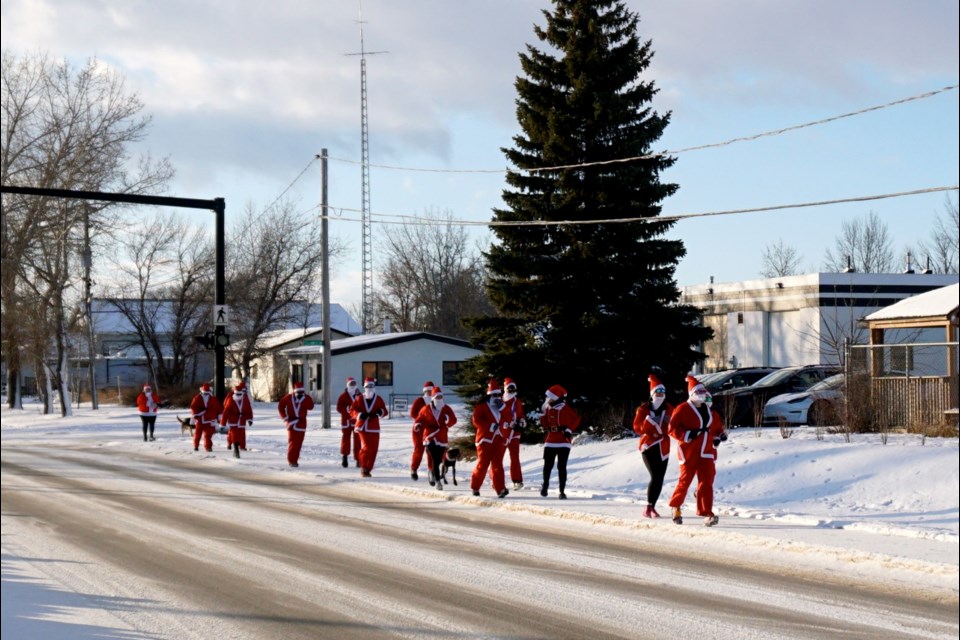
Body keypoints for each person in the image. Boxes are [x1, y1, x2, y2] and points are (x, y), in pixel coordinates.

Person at [667, 375, 727, 526]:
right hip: (689, 451)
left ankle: (707, 513)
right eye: (698, 391)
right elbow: (672, 429)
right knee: (685, 481)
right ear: (691, 393)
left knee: (707, 481)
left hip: (706, 451)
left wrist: (720, 436)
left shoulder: (709, 411)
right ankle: (676, 506)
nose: (702, 394)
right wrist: (687, 434)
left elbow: (716, 428)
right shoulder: (682, 409)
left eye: (703, 391)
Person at [631, 374, 674, 518]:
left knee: (660, 478)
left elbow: (675, 424)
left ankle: (652, 506)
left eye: (663, 392)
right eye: (658, 392)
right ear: (652, 394)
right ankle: (648, 507)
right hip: (648, 446)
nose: (661, 395)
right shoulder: (643, 409)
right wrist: (649, 421)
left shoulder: (669, 408)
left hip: (664, 447)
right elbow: (637, 428)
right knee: (655, 476)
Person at [539, 384, 581, 499]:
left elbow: (576, 419)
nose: (548, 399)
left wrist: (569, 429)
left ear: (557, 397)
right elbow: (545, 425)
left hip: (563, 440)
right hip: (550, 440)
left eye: (551, 397)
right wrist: (542, 415)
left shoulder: (565, 407)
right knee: (547, 465)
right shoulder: (547, 408)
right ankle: (545, 485)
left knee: (561, 467)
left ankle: (562, 491)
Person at [471, 379, 510, 498]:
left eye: (499, 394)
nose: (497, 397)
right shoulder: (481, 406)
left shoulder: (502, 406)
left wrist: (503, 408)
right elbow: (476, 421)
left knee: (498, 465)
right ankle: (475, 487)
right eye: (494, 395)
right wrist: (490, 426)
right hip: (485, 440)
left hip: (499, 439)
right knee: (483, 464)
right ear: (489, 395)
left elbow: (508, 418)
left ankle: (500, 489)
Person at [416, 386, 458, 491]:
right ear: (433, 398)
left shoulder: (446, 408)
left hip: (442, 437)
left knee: (439, 460)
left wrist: (448, 420)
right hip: (429, 437)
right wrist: (418, 424)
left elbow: (454, 419)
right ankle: (438, 481)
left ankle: (432, 472)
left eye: (441, 397)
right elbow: (420, 418)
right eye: (437, 397)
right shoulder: (426, 409)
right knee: (434, 458)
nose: (439, 399)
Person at [350, 377, 389, 477]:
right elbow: (352, 410)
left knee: (374, 449)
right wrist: (359, 415)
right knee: (366, 448)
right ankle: (363, 467)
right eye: (368, 387)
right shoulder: (359, 399)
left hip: (374, 427)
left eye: (372, 386)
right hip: (363, 427)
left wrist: (381, 412)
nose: (370, 388)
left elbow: (385, 411)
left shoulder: (378, 399)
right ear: (364, 388)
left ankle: (368, 468)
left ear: (374, 387)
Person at [278, 381, 315, 467]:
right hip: (291, 422)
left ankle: (295, 459)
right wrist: (284, 417)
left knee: (299, 443)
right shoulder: (289, 398)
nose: (300, 394)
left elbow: (311, 407)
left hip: (301, 423)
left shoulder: (306, 398)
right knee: (292, 442)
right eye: (298, 392)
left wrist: (303, 399)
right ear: (294, 391)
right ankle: (291, 460)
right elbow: (280, 405)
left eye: (301, 392)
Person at [502, 377, 527, 490]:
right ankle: (496, 479)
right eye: (509, 389)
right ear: (505, 389)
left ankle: (517, 480)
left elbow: (521, 414)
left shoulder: (517, 402)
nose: (511, 391)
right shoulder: (500, 401)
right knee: (497, 457)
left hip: (515, 432)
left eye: (513, 388)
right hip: (502, 433)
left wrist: (521, 421)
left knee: (515, 456)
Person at [408, 381, 435, 481]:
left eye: (431, 390)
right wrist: (421, 421)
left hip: (431, 430)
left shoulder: (436, 401)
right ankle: (414, 469)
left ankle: (431, 471)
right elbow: (413, 413)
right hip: (419, 429)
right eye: (428, 390)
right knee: (419, 450)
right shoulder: (420, 401)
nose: (429, 392)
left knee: (431, 450)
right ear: (424, 391)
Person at [221, 381, 254, 459]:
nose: (239, 395)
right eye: (237, 394)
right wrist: (223, 423)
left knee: (241, 434)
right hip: (233, 420)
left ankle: (242, 446)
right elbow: (226, 412)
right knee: (234, 434)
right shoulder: (230, 399)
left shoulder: (245, 399)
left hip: (242, 420)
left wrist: (250, 419)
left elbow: (248, 409)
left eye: (240, 393)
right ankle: (235, 449)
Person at [335, 377, 361, 468]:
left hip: (357, 421)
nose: (353, 386)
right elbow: (338, 408)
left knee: (358, 440)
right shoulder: (343, 396)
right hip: (346, 421)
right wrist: (346, 409)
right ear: (347, 385)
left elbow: (363, 405)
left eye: (354, 384)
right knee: (346, 439)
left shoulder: (359, 395)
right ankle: (344, 457)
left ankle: (358, 459)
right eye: (351, 384)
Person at [190, 383, 222, 452]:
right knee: (198, 434)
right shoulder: (197, 398)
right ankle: (196, 446)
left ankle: (208, 447)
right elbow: (193, 407)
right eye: (205, 393)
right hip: (200, 419)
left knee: (208, 435)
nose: (206, 394)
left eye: (207, 393)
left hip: (210, 420)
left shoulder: (213, 399)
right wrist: (195, 414)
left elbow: (218, 409)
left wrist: (219, 417)